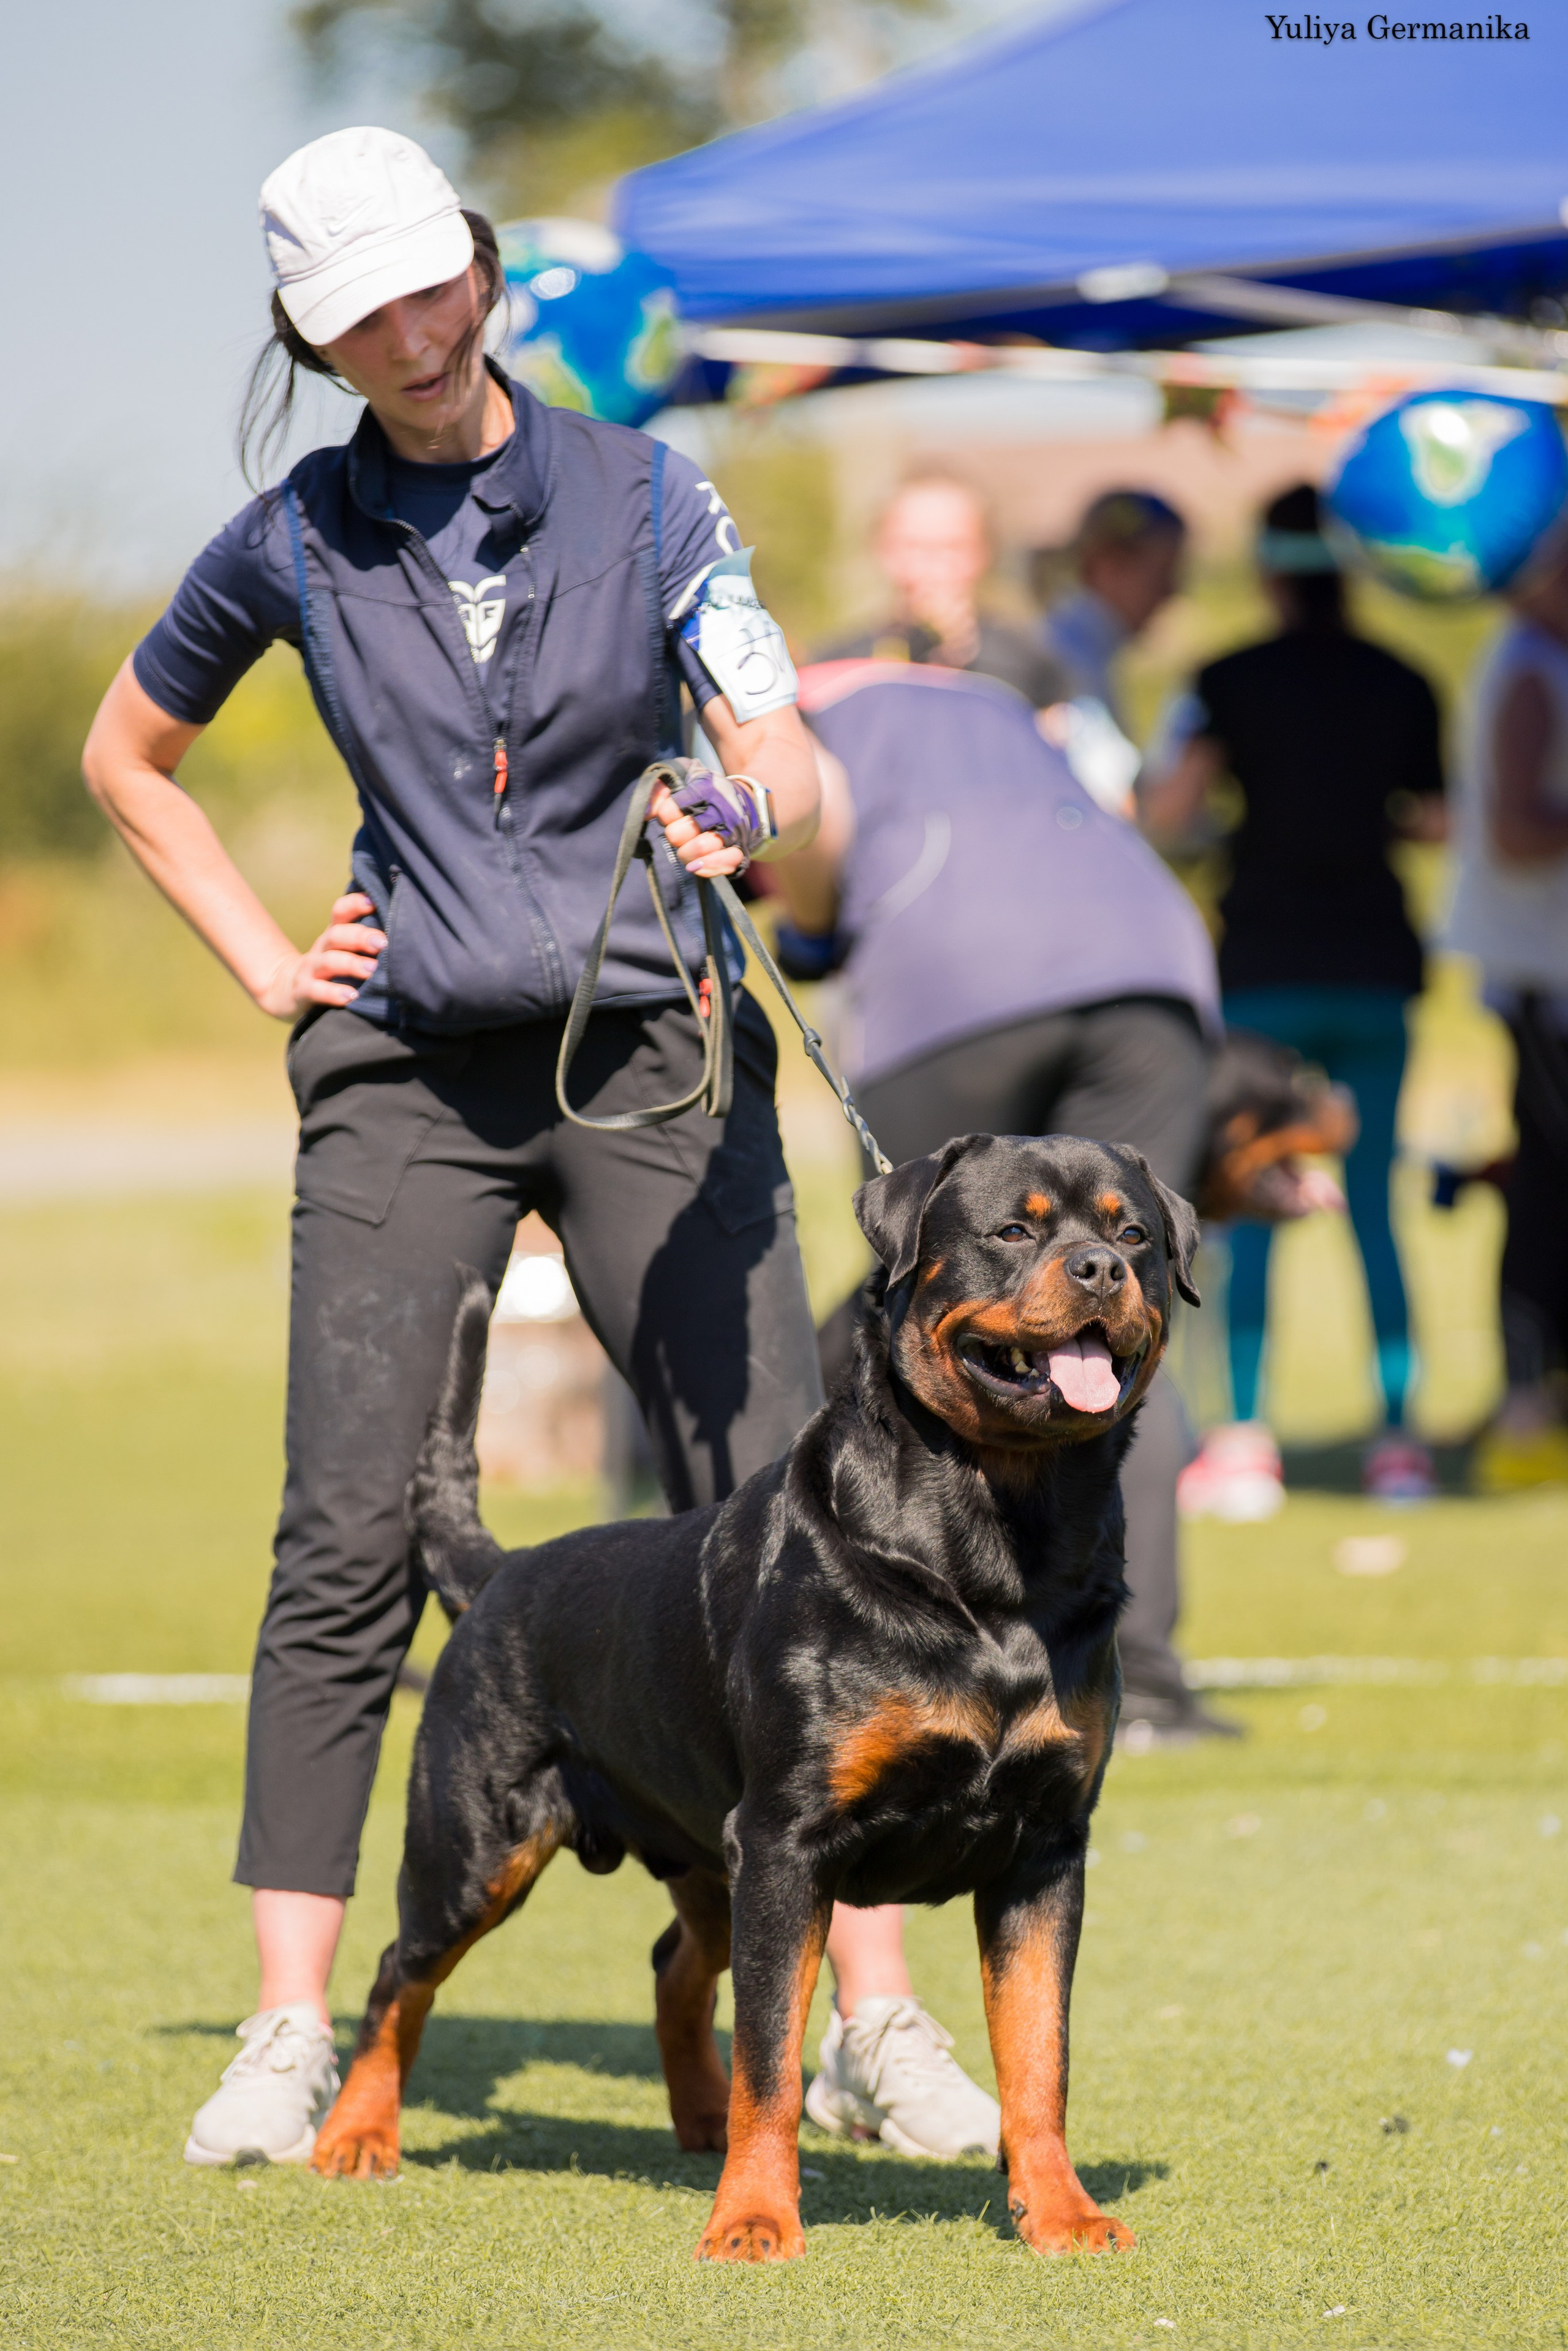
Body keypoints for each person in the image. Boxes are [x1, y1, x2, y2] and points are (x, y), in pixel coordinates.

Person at [82, 127, 994, 2172]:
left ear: (482, 271)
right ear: (313, 340)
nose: (413, 337)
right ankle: (293, 2022)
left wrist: (750, 815)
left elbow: (788, 753)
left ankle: (875, 2018)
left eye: (433, 288)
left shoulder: (657, 496)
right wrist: (263, 960)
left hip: (652, 1054)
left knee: (786, 1510)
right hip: (402, 1069)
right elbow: (126, 757)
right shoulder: (287, 541)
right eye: (361, 317)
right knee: (343, 1533)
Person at [766, 655, 1236, 1788]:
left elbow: (809, 860)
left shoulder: (792, 706)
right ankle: (1148, 1678)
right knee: (1116, 1303)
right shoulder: (999, 701)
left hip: (950, 967)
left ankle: (832, 1635)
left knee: (917, 1290)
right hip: (1156, 967)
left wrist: (812, 940)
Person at [1140, 483, 1447, 1510]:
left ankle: (1242, 1441)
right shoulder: (1405, 681)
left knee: (1246, 1199)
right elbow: (1437, 819)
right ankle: (1398, 1441)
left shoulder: (1226, 679)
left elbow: (1169, 809)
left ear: (1269, 571)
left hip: (1264, 968)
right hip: (1374, 967)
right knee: (1373, 1206)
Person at [1449, 532, 1568, 1492]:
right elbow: (1516, 828)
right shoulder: (1530, 665)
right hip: (1541, 980)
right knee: (1545, 1194)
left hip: (1546, 976)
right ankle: (1527, 1411)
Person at [820, 470, 1068, 712]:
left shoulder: (1030, 664)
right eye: (914, 547)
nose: (933, 567)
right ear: (883, 552)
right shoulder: (839, 666)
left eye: (953, 548)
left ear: (985, 554)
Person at [1033, 491, 1187, 816]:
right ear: (1108, 565)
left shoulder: (1087, 648)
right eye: (1162, 572)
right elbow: (1109, 801)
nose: (1173, 591)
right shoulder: (1069, 659)